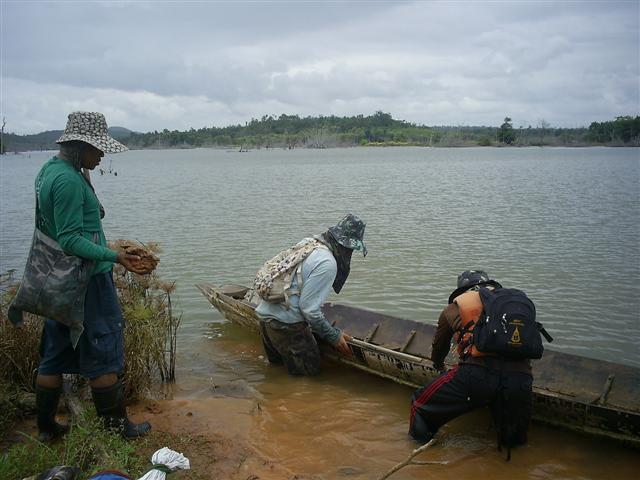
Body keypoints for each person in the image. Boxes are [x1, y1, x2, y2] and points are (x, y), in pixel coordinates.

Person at [35, 111, 151, 441]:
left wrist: (86, 174)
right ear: (80, 145)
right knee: (104, 350)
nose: (101, 156)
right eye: (97, 149)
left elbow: (78, 223)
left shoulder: (52, 171)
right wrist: (116, 256)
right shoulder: (69, 181)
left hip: (58, 278)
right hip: (87, 281)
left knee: (54, 354)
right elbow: (71, 239)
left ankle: (46, 429)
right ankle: (118, 430)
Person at [409, 270, 533, 452]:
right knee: (513, 445)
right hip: (520, 380)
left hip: (477, 376)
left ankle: (420, 453)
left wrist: (438, 365)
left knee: (419, 404)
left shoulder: (455, 308)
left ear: (462, 290)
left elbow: (439, 347)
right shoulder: (512, 304)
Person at [255, 214, 367, 376]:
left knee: (276, 374)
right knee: (306, 380)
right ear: (346, 247)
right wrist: (333, 336)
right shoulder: (327, 263)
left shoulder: (309, 244)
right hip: (287, 328)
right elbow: (309, 310)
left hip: (266, 321)